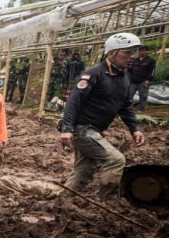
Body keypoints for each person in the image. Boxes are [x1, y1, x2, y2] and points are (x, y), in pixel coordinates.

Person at [58, 32, 146, 199]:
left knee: (83, 172)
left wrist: (135, 129)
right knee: (115, 160)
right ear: (111, 53)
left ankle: (61, 202)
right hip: (81, 130)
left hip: (94, 131)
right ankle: (106, 204)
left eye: (134, 52)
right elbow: (73, 102)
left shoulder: (125, 77)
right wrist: (67, 128)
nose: (132, 56)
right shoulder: (94, 74)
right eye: (127, 52)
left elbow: (126, 106)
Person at [128, 45, 155, 113]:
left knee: (143, 96)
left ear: (147, 51)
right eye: (140, 51)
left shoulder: (150, 60)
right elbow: (130, 70)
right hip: (133, 81)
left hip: (143, 81)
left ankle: (141, 109)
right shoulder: (135, 60)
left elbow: (152, 71)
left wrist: (148, 80)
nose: (142, 52)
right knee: (129, 95)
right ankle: (128, 108)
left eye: (144, 50)